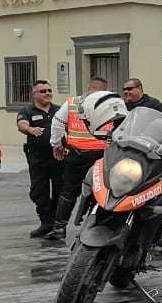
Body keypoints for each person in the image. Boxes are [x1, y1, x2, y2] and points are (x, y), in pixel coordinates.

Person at [46, 77, 114, 241]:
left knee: (69, 191)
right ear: (105, 89)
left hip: (78, 154)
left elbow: (57, 123)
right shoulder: (112, 103)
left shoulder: (72, 103)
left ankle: (59, 228)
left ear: (88, 87)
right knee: (105, 191)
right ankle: (101, 226)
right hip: (104, 155)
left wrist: (57, 145)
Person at [16, 79, 61, 238]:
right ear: (34, 94)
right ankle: (46, 222)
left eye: (49, 90)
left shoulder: (59, 110)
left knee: (59, 191)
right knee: (38, 191)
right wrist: (30, 129)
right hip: (38, 158)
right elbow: (21, 124)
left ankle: (57, 224)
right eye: (43, 91)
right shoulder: (28, 111)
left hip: (59, 158)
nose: (48, 93)